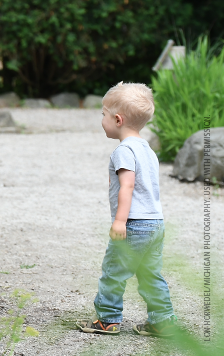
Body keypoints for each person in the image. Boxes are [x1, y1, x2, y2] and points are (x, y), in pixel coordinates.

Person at [77, 83, 177, 337]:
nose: (102, 119)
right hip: (155, 223)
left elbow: (128, 186)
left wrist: (120, 221)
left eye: (104, 114)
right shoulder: (147, 150)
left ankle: (108, 319)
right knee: (151, 275)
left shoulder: (124, 150)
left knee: (114, 272)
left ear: (118, 119)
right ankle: (162, 321)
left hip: (133, 224)